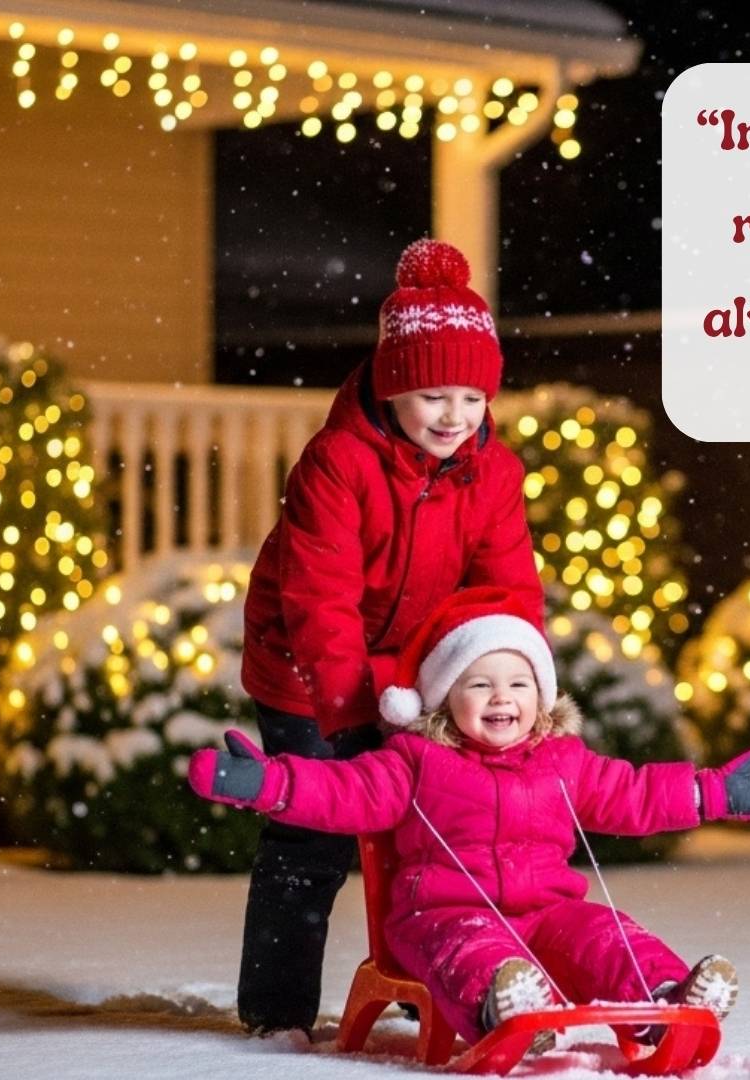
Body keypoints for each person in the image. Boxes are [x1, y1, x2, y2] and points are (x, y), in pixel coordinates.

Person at [192, 586, 750, 1047]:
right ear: (446, 698)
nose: (503, 698)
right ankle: (507, 1012)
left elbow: (635, 793)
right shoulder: (415, 761)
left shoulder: (563, 761)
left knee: (606, 934)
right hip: (442, 914)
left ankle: (665, 1000)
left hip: (547, 911)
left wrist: (714, 794)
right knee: (472, 949)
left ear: (542, 695)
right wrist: (268, 783)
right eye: (479, 684)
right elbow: (342, 791)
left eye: (519, 683)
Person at [235, 239, 543, 1035]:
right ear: (394, 384)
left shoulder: (493, 474)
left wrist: (515, 687)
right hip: (307, 673)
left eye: (472, 398)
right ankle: (277, 1011)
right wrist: (351, 717)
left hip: (412, 674)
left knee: (436, 836)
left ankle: (426, 983)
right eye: (435, 395)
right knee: (313, 833)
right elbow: (319, 600)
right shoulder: (338, 463)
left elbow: (506, 592)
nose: (454, 417)